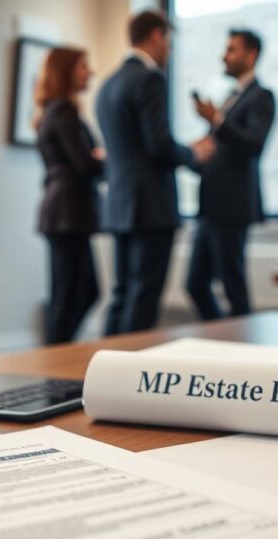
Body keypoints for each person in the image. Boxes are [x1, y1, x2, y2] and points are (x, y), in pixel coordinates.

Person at [96, 10, 215, 335]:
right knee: (144, 295)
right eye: (169, 42)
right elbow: (159, 144)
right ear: (156, 36)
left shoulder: (107, 85)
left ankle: (100, 369)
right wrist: (194, 153)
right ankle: (128, 376)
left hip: (119, 204)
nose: (169, 51)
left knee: (121, 294)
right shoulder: (150, 79)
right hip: (150, 205)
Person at [186, 29, 276, 320]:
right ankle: (220, 339)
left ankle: (241, 351)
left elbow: (253, 144)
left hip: (232, 207)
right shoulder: (230, 97)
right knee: (195, 284)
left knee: (233, 286)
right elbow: (217, 150)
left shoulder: (261, 97)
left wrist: (217, 121)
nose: (224, 55)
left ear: (251, 55)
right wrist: (190, 153)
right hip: (209, 208)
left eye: (232, 50)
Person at [34, 47, 104, 344]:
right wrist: (103, 157)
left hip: (68, 214)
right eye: (83, 67)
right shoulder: (63, 112)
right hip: (66, 214)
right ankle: (54, 359)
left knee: (83, 292)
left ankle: (58, 352)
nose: (89, 72)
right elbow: (84, 164)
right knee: (69, 295)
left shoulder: (59, 111)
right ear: (66, 72)